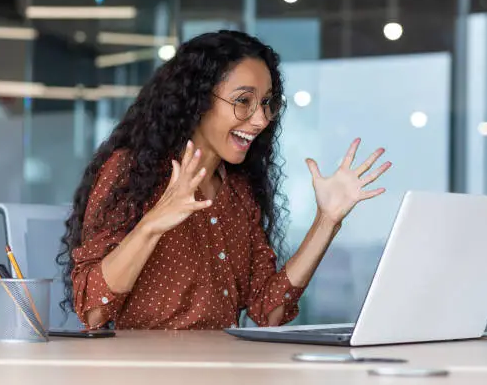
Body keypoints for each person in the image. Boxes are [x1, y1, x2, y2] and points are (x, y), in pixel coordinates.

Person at [57, 30, 391, 330]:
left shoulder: (239, 190)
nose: (260, 119)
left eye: (266, 103)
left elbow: (268, 310)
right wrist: (153, 223)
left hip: (222, 368)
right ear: (198, 99)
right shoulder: (132, 171)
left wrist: (326, 221)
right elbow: (92, 312)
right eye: (243, 101)